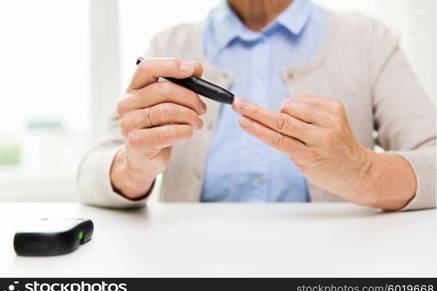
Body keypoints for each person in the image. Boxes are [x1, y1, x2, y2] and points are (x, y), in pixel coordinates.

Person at [78, 0, 436, 210]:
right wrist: (132, 166)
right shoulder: (170, 44)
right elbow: (90, 175)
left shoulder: (368, 41)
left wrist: (365, 172)